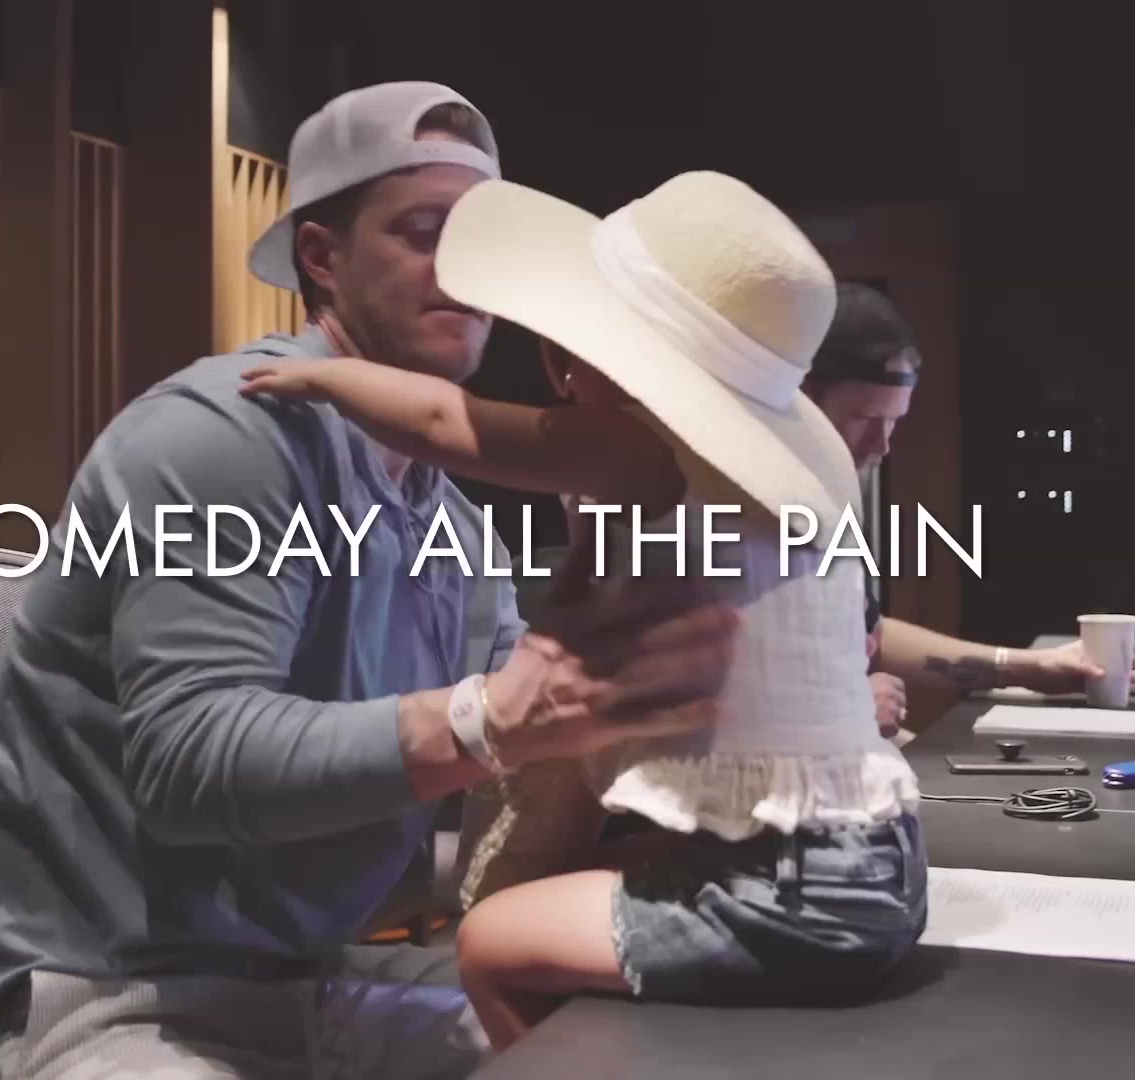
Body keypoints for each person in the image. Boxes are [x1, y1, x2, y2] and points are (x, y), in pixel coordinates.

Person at [0, 82, 739, 1080]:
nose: (464, 269)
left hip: (303, 985)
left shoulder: (451, 521)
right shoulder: (226, 435)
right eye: (424, 233)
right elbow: (189, 763)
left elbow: (523, 754)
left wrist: (709, 746)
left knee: (635, 1051)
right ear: (321, 257)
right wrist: (491, 718)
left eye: (482, 242)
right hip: (94, 995)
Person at [240, 171, 928, 1053]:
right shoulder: (779, 481)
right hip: (876, 863)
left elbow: (447, 421)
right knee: (578, 889)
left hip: (791, 890)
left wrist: (330, 376)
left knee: (491, 943)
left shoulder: (644, 455)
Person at [800, 283, 1104, 736]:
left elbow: (869, 631)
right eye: (863, 419)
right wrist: (842, 709)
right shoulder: (741, 505)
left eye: (894, 421)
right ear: (803, 396)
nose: (882, 445)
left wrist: (1028, 667)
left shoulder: (832, 490)